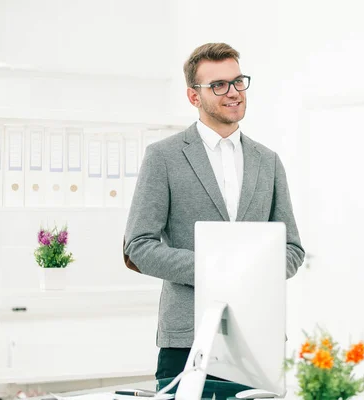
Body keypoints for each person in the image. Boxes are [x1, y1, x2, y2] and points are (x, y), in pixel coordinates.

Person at [123, 43, 305, 380]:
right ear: (194, 97)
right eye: (218, 85)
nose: (233, 92)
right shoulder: (164, 157)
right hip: (186, 337)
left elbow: (292, 249)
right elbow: (138, 246)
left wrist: (253, 271)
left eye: (238, 81)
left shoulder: (268, 161)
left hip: (257, 336)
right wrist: (214, 268)